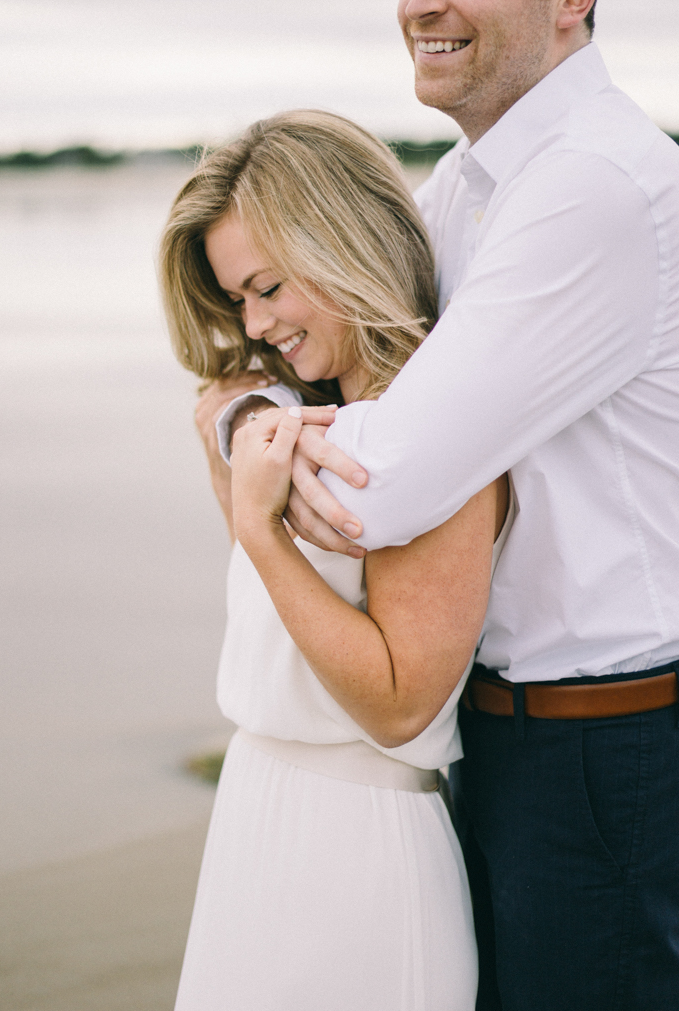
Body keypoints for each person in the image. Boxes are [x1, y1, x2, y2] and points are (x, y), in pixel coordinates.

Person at [221, 0, 679, 1011]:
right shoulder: (465, 185)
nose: (421, 0)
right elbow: (324, 351)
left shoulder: (590, 184)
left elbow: (381, 478)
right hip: (511, 740)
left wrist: (255, 467)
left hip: (608, 743)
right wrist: (247, 419)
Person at [159, 109, 511, 1010]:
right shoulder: (319, 414)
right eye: (238, 298)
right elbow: (285, 605)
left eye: (269, 287)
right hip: (259, 810)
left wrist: (260, 531)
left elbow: (400, 703)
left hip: (357, 847)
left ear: (340, 242)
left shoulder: (426, 430)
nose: (256, 321)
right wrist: (238, 437)